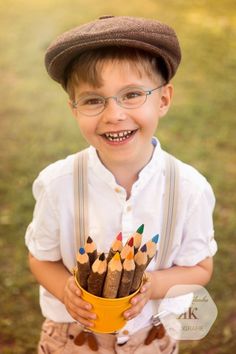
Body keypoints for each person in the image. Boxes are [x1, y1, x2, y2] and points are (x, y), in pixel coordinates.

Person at [25, 15, 217, 353]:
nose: (113, 114)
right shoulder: (57, 185)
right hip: (72, 336)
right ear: (74, 109)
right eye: (93, 99)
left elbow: (200, 268)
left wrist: (155, 284)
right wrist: (65, 288)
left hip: (151, 336)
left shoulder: (190, 189)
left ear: (164, 99)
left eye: (131, 95)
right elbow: (41, 258)